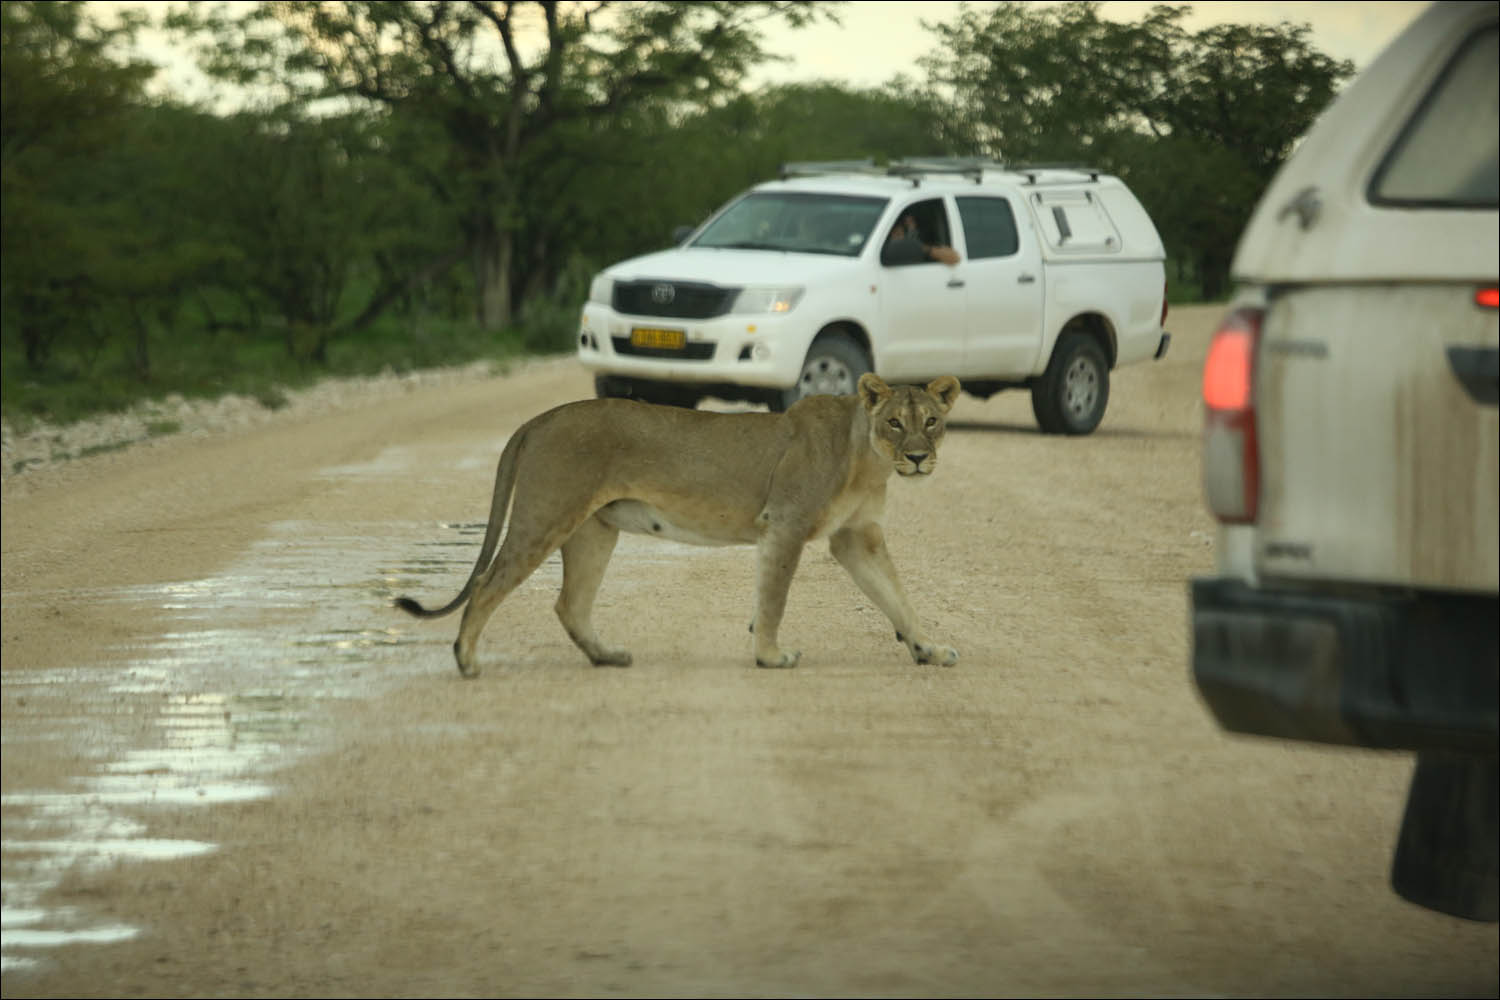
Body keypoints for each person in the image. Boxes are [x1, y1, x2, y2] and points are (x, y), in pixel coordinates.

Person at [881, 213, 960, 267]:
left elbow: (954, 258)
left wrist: (925, 250)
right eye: (896, 233)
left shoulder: (918, 248)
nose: (912, 230)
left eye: (912, 224)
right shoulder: (882, 252)